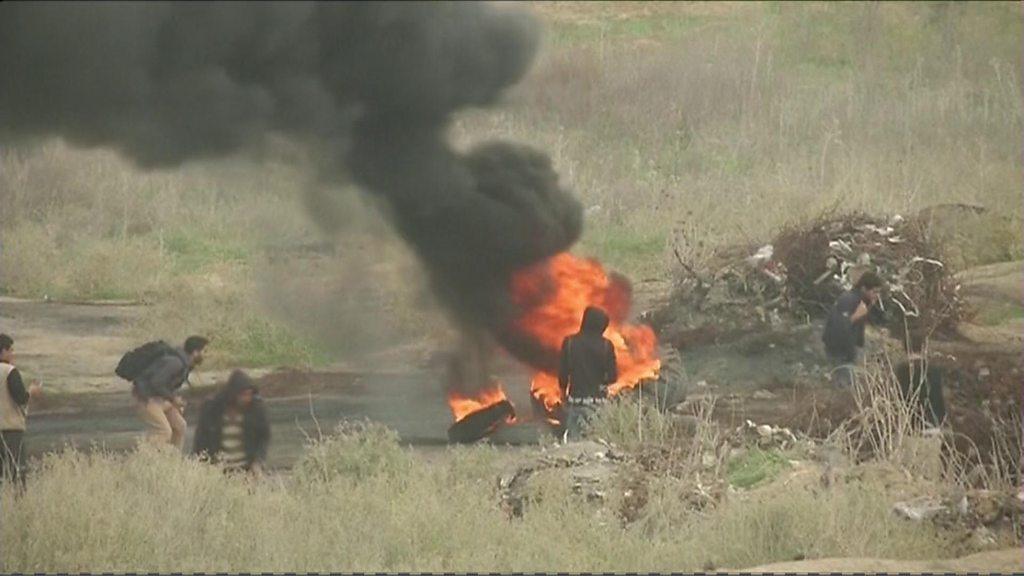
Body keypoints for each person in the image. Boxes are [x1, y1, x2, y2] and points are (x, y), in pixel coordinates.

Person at [133, 335, 208, 450]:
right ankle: (143, 456)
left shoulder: (184, 364)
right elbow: (156, 382)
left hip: (159, 398)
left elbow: (166, 385)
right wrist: (173, 399)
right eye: (204, 351)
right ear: (195, 352)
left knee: (180, 426)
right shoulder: (175, 363)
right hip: (146, 398)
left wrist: (174, 401)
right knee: (163, 431)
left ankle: (173, 460)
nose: (206, 355)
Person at [192, 370, 270, 476]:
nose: (247, 399)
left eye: (249, 395)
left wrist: (258, 462)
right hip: (219, 470)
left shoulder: (256, 410)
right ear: (233, 394)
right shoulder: (212, 410)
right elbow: (201, 439)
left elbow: (264, 437)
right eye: (243, 395)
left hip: (245, 470)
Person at [558, 306, 618, 442]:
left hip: (575, 402)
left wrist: (563, 396)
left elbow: (563, 374)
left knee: (575, 443)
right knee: (598, 441)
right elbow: (613, 377)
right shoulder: (606, 346)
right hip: (599, 403)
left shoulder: (569, 343)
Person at [822, 271, 884, 387]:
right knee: (843, 385)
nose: (877, 295)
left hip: (848, 348)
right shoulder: (848, 300)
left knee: (848, 382)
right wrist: (856, 316)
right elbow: (837, 326)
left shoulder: (862, 300)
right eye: (874, 292)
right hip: (839, 350)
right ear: (864, 288)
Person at [0, 334, 43, 487]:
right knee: (16, 474)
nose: (12, 354)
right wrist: (31, 391)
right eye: (10, 350)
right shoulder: (10, 371)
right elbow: (21, 398)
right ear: (3, 351)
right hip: (11, 431)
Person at [894, 334, 946, 434]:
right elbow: (940, 399)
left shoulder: (900, 371)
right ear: (924, 348)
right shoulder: (934, 370)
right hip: (933, 425)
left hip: (909, 426)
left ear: (905, 348)